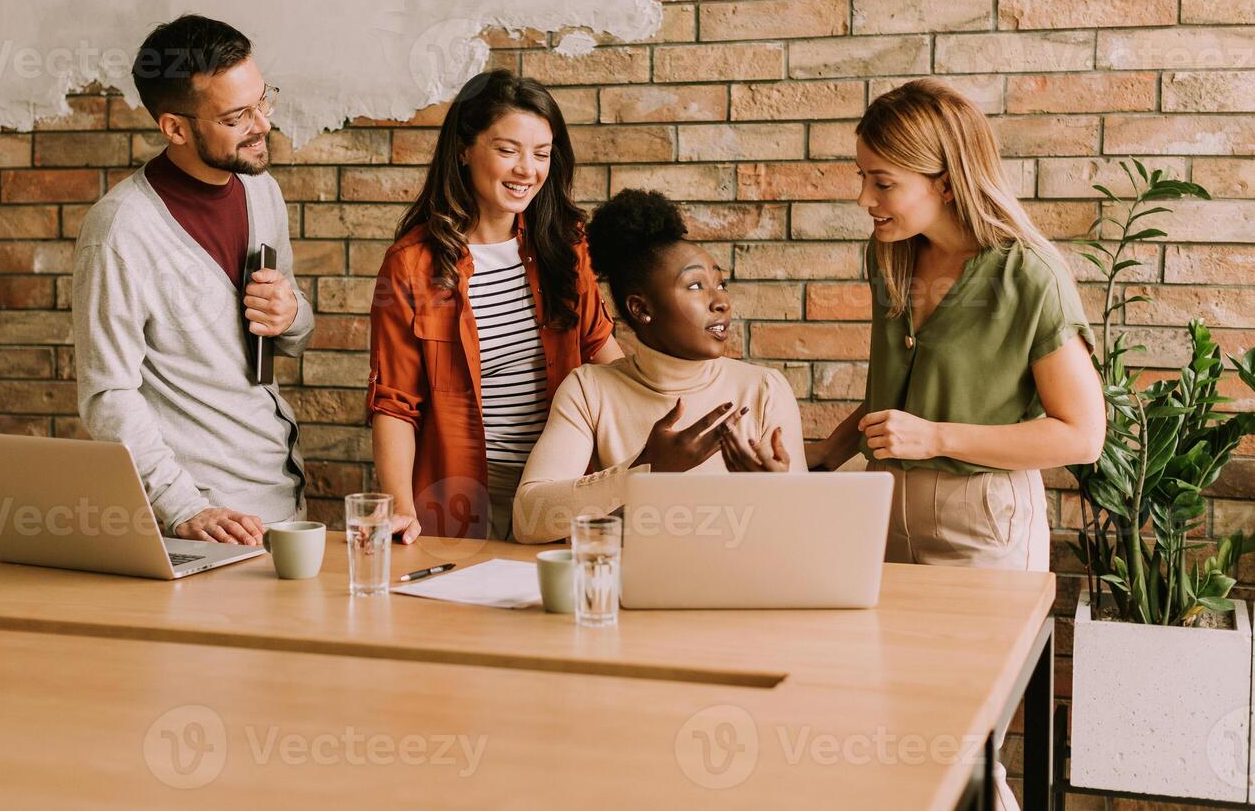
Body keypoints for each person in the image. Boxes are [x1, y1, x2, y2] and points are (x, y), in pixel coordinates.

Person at [807, 78, 1106, 575]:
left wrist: (937, 439)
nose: (864, 198)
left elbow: (1081, 435)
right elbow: (911, 390)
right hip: (880, 511)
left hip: (982, 526)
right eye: (862, 176)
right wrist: (829, 451)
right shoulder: (888, 254)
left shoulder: (1028, 275)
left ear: (945, 182)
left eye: (883, 183)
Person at [73, 14, 313, 545]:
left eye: (262, 100)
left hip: (282, 493)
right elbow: (107, 392)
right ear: (175, 128)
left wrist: (292, 312)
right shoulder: (119, 231)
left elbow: (291, 332)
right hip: (201, 521)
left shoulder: (262, 191)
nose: (263, 124)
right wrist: (181, 507)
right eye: (236, 116)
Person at [367, 70, 623, 543]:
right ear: (464, 149)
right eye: (508, 150)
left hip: (559, 497)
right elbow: (395, 404)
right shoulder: (410, 264)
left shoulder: (566, 246)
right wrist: (400, 509)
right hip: (457, 505)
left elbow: (601, 351)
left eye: (542, 154)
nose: (527, 169)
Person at [512, 189, 806, 544]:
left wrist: (779, 491)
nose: (721, 302)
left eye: (720, 283)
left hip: (740, 587)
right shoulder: (590, 389)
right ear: (641, 309)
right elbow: (528, 518)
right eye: (696, 286)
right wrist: (644, 468)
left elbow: (800, 537)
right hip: (635, 588)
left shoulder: (764, 388)